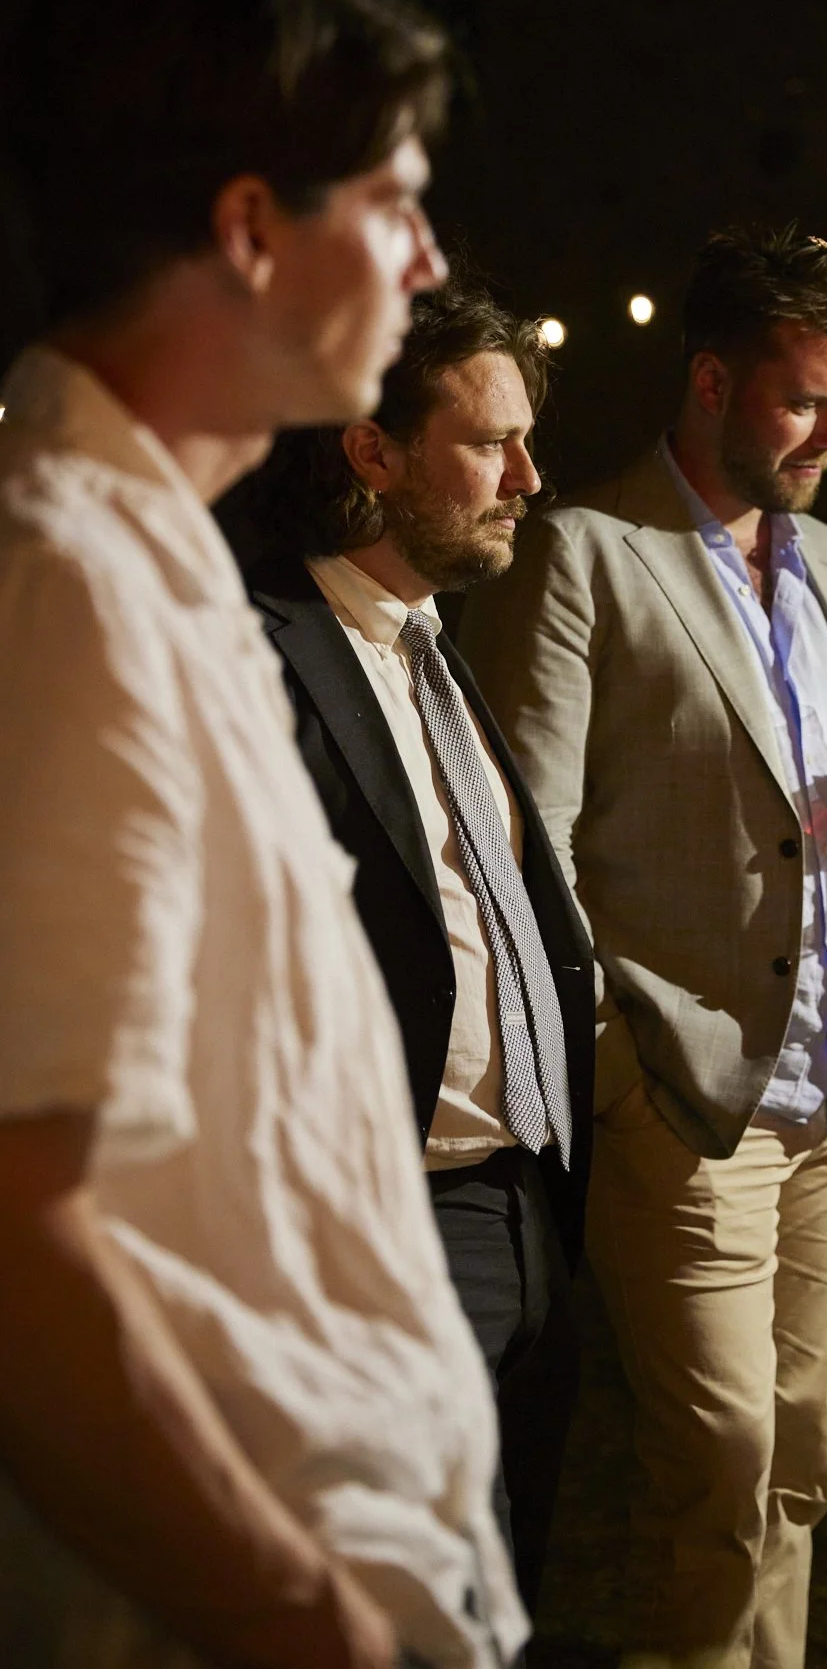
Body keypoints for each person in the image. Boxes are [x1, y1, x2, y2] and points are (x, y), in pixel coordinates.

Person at [0, 0, 527, 1669]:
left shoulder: (162, 571)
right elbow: (23, 1232)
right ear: (246, 231)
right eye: (393, 198)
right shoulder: (65, 587)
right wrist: (301, 1610)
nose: (432, 255)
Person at [459, 223, 827, 1669]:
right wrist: (615, 1069)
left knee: (802, 1464)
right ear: (714, 381)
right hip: (685, 1100)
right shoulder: (582, 554)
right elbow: (523, 855)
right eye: (806, 401)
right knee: (720, 1472)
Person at [225, 283, 595, 1617]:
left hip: (528, 1201)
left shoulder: (437, 656)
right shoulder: (261, 660)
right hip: (384, 1220)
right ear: (371, 453)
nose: (527, 477)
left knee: (507, 1588)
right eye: (488, 443)